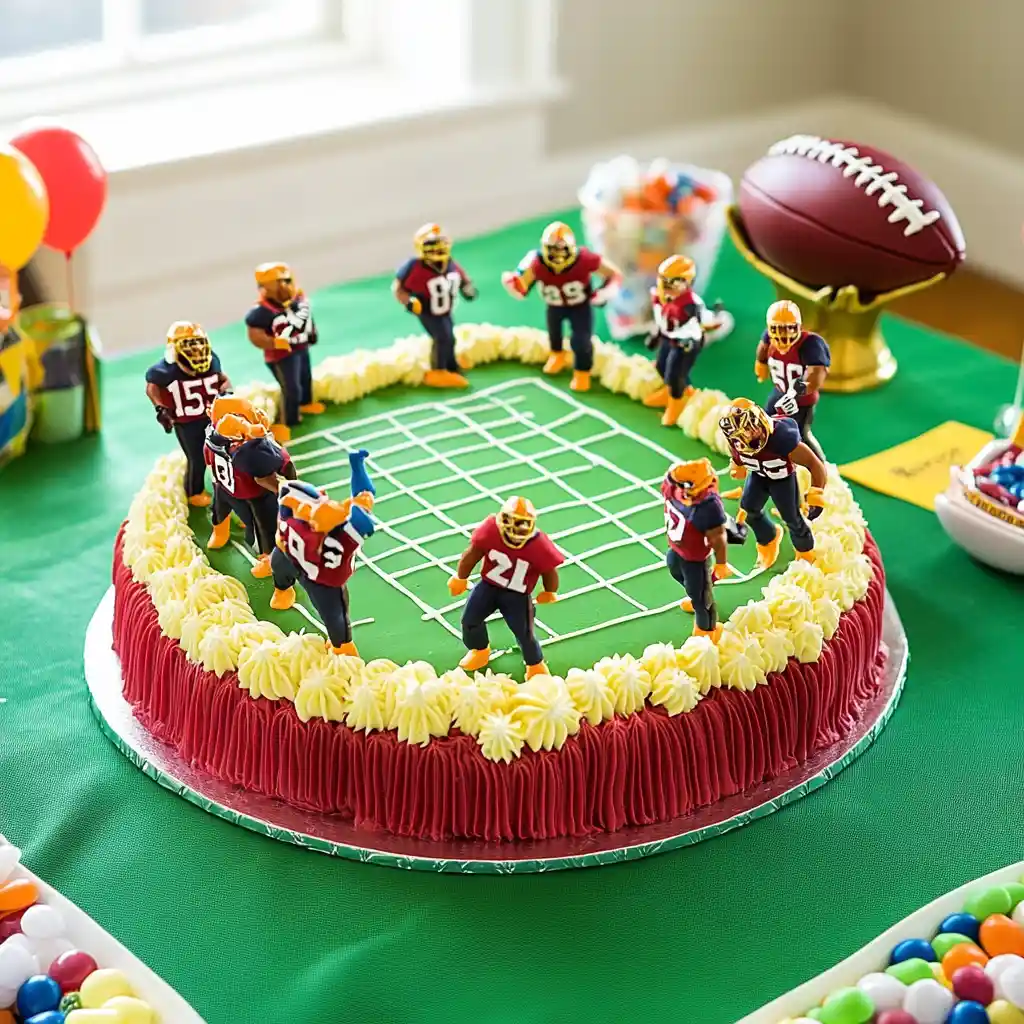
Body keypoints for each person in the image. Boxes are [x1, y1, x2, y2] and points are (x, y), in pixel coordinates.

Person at [448, 496, 563, 678]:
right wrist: (460, 577)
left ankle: (534, 663)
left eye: (522, 523)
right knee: (470, 619)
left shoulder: (538, 544)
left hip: (517, 595)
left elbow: (549, 571)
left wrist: (550, 590)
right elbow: (473, 554)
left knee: (524, 632)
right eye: (512, 521)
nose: (517, 528)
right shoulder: (491, 530)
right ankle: (480, 649)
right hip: (489, 586)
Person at [501, 220, 621, 392]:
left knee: (581, 340)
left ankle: (582, 372)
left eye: (561, 249)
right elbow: (521, 284)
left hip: (580, 306)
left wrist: (603, 292)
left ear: (571, 248)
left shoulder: (584, 258)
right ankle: (557, 354)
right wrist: (513, 284)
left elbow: (614, 274)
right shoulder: (535, 260)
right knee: (554, 333)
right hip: (554, 305)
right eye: (552, 249)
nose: (557, 255)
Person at [718, 399, 828, 569]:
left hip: (782, 480)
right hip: (759, 475)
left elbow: (815, 464)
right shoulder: (737, 443)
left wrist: (816, 494)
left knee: (792, 518)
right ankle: (769, 537)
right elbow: (737, 457)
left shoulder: (782, 439)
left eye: (750, 428)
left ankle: (805, 551)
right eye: (741, 434)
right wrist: (737, 465)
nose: (747, 435)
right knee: (749, 508)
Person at [144, 321, 230, 505]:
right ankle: (194, 490)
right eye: (190, 347)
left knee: (218, 451)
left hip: (210, 416)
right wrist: (160, 408)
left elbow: (223, 379)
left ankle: (223, 482)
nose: (197, 351)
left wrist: (226, 391)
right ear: (174, 349)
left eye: (199, 345)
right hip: (186, 421)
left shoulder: (212, 362)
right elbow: (152, 388)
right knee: (197, 458)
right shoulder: (164, 372)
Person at [393, 224, 477, 388]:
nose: (437, 250)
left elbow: (461, 277)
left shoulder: (450, 263)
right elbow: (398, 288)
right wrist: (408, 301)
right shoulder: (414, 267)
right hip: (427, 309)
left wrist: (467, 288)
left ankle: (451, 364)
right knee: (442, 338)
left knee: (450, 337)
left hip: (446, 309)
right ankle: (438, 370)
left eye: (440, 244)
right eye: (432, 246)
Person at [245, 262, 322, 442]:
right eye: (281, 283)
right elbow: (255, 335)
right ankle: (287, 420)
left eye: (288, 281)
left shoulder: (298, 301)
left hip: (301, 347)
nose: (286, 287)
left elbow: (307, 319)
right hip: (281, 356)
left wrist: (312, 332)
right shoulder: (261, 312)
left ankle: (305, 404)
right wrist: (272, 342)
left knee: (305, 378)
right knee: (290, 388)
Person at [754, 300, 831, 460]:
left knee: (800, 435)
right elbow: (763, 347)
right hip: (780, 391)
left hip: (802, 401)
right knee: (766, 424)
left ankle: (821, 466)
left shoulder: (811, 344)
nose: (783, 335)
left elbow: (815, 377)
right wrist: (760, 363)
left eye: (789, 328)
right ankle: (771, 457)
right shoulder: (768, 337)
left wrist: (796, 392)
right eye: (777, 329)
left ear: (799, 326)